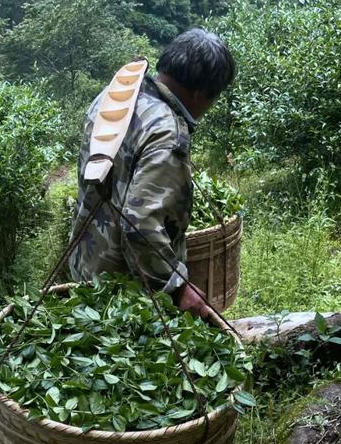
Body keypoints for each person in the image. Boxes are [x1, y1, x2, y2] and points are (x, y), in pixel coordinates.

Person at [68, 28, 235, 318]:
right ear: (199, 95)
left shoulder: (114, 98)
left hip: (85, 267)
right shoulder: (167, 133)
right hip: (123, 294)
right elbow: (140, 224)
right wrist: (177, 288)